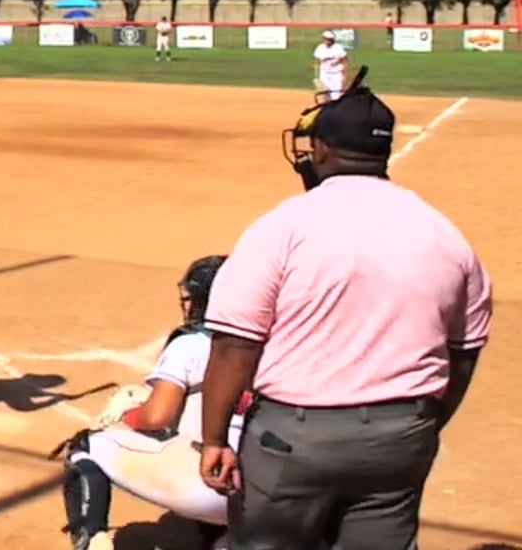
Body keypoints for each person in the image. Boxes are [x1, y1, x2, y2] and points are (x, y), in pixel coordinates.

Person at [196, 73, 493, 549]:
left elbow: (235, 344)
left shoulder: (283, 226)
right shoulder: (445, 235)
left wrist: (214, 439)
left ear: (321, 150)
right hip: (403, 434)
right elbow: (464, 351)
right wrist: (422, 424)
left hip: (294, 437)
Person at [58, 255, 240, 550]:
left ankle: (92, 542)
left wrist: (130, 416)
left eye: (189, 298)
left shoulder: (190, 344)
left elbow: (157, 417)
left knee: (84, 446)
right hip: (269, 493)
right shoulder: (272, 344)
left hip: (209, 484)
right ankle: (225, 539)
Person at [309, 30, 346, 102]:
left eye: (329, 39)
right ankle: (327, 107)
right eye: (326, 39)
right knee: (325, 94)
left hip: (336, 74)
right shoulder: (320, 48)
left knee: (336, 95)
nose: (327, 41)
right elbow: (317, 61)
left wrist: (344, 75)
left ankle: (335, 107)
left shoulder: (338, 48)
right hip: (324, 73)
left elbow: (345, 61)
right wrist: (316, 75)